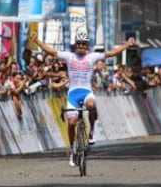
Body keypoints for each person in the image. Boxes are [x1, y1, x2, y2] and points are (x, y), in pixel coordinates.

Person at [30, 30, 135, 167]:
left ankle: (91, 132)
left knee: (91, 105)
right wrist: (37, 41)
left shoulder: (92, 57)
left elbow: (111, 53)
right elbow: (52, 51)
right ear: (75, 45)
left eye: (83, 44)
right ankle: (73, 149)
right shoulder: (69, 56)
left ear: (87, 46)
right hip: (73, 93)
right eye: (78, 43)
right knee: (72, 122)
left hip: (86, 92)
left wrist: (126, 45)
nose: (81, 46)